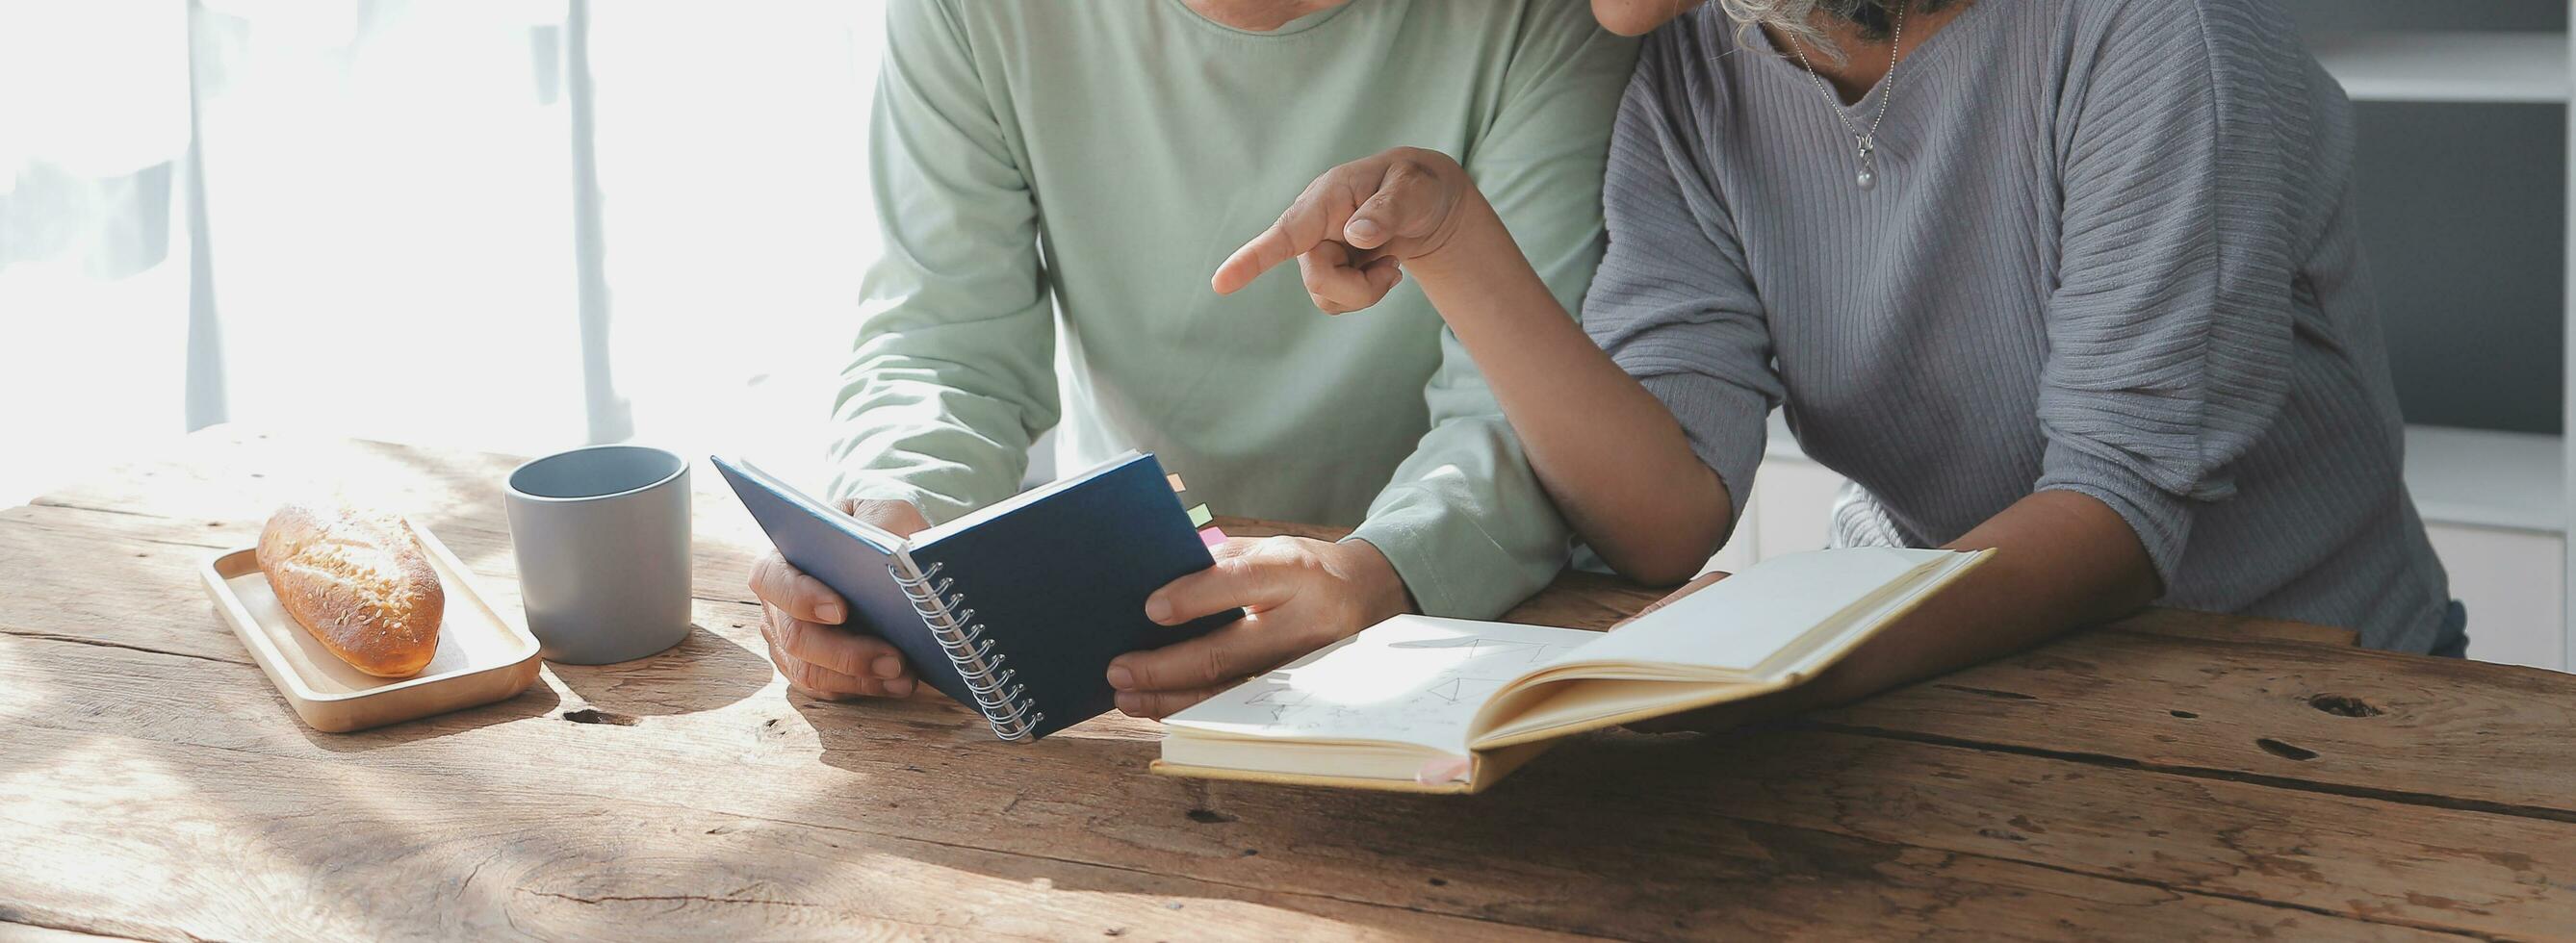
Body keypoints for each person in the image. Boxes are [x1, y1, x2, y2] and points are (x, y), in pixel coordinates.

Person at [1217, 0, 2460, 722]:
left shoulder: (2158, 33)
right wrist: (1450, 240)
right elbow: (1668, 514)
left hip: (2305, 705)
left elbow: (2120, 510)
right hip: (1947, 696)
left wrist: (1763, 667)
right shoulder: (1695, 73)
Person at [748, 0, 1637, 718]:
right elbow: (942, 337)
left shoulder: (1560, 17)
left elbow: (1525, 404)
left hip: (1490, 625)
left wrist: (1383, 570)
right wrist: (885, 530)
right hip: (1144, 619)